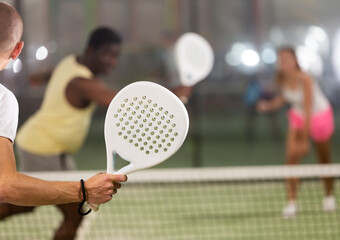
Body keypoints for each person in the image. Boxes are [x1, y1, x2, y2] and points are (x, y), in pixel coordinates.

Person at [0, 0, 126, 218]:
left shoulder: (70, 63)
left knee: (33, 203)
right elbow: (5, 185)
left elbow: (53, 72)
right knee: (73, 213)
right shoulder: (3, 100)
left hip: (53, 149)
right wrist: (84, 190)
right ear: (18, 49)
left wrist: (39, 77)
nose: (112, 61)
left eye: (116, 56)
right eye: (108, 54)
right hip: (43, 147)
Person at [257, 46, 336, 218]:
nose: (283, 63)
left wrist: (305, 140)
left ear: (295, 61)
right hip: (298, 116)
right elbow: (285, 97)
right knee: (291, 160)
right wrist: (269, 105)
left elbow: (308, 109)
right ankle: (292, 203)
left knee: (324, 160)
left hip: (318, 116)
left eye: (287, 59)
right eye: (281, 60)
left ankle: (329, 196)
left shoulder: (305, 79)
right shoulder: (282, 80)